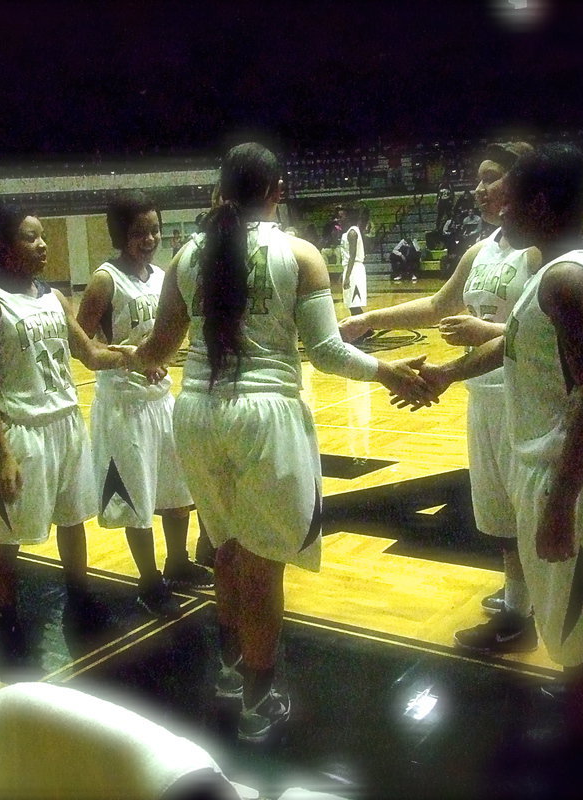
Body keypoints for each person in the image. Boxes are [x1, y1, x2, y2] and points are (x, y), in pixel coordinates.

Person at [126, 143, 433, 743]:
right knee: (264, 562)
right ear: (278, 191)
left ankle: (229, 668)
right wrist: (387, 371)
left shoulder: (187, 255)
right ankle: (259, 702)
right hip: (265, 415)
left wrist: (111, 355)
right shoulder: (300, 254)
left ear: (220, 193)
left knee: (226, 549)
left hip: (194, 412)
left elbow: (157, 350)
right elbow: (323, 352)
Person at [402, 144, 583, 786]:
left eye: (508, 196)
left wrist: (561, 503)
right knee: (581, 622)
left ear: (537, 204)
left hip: (577, 471)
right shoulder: (557, 268)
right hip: (568, 466)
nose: (497, 208)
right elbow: (517, 346)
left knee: (582, 623)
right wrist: (448, 374)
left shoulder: (566, 277)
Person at [341, 142, 543, 653]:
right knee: (499, 511)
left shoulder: (539, 251)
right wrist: (369, 319)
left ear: (520, 184)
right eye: (477, 178)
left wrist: (486, 329)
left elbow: (544, 329)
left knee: (531, 507)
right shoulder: (481, 251)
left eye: (490, 178)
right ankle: (520, 594)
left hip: (530, 397)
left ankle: (527, 612)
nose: (478, 188)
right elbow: (436, 305)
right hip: (484, 395)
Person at [0, 204, 130, 673]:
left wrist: (137, 355)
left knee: (74, 519)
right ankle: (7, 620)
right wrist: (4, 455)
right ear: (4, 246)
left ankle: (79, 596)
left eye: (42, 237)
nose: (42, 244)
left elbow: (92, 354)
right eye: (30, 238)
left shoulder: (56, 299)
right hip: (22, 434)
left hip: (67, 424)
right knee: (7, 537)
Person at [76, 192, 212, 620]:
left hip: (161, 399)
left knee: (176, 491)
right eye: (140, 231)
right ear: (121, 234)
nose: (150, 237)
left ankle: (177, 561)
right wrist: (129, 359)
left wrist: (159, 358)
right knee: (137, 497)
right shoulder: (105, 279)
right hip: (124, 404)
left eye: (154, 229)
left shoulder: (162, 275)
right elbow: (81, 342)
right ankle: (148, 579)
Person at [340, 204, 370, 317]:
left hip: (354, 270)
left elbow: (352, 256)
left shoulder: (352, 232)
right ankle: (365, 329)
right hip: (350, 268)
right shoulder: (349, 231)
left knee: (354, 305)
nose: (339, 219)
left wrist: (347, 276)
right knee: (351, 304)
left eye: (341, 217)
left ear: (347, 218)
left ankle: (366, 329)